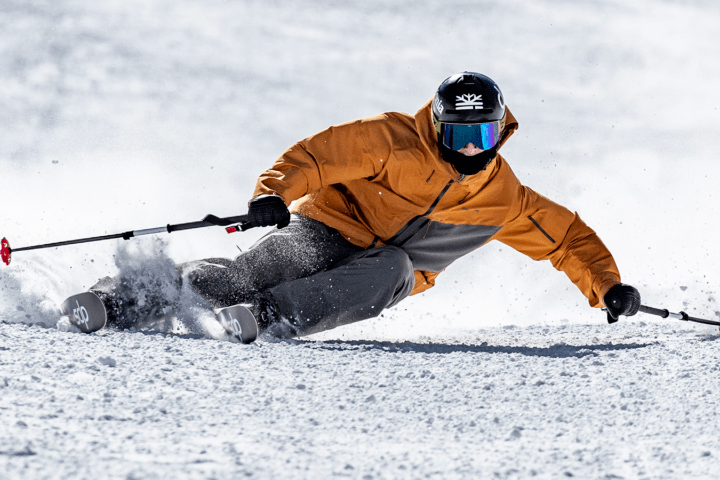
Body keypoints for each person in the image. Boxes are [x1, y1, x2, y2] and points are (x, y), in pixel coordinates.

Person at [94, 72, 641, 339]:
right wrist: (274, 195)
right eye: (457, 134)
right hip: (330, 225)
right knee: (259, 267)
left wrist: (607, 286)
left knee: (397, 265)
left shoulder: (503, 200)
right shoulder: (391, 139)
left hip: (384, 271)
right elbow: (316, 156)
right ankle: (129, 297)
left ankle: (269, 315)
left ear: (501, 131)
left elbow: (567, 238)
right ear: (436, 126)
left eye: (482, 133)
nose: (470, 147)